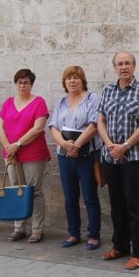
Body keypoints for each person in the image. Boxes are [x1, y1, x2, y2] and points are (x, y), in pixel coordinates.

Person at [96, 51, 139, 270]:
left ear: (134, 66)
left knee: (134, 206)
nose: (124, 67)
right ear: (114, 67)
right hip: (110, 158)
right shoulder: (108, 91)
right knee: (116, 205)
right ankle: (120, 246)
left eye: (127, 63)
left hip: (133, 158)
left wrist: (125, 146)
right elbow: (100, 121)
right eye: (120, 64)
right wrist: (110, 144)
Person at [47, 66, 102, 250]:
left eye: (76, 78)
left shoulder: (92, 99)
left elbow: (95, 125)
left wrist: (76, 145)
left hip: (86, 155)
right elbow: (53, 126)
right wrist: (64, 144)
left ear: (82, 80)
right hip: (65, 156)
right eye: (68, 78)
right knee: (70, 197)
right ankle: (73, 234)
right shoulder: (61, 102)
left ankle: (93, 235)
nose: (72, 81)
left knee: (90, 196)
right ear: (64, 82)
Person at [0, 69, 52, 243]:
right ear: (16, 84)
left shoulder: (39, 102)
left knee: (34, 190)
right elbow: (1, 126)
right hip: (11, 153)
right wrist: (8, 146)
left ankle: (37, 229)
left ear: (31, 84)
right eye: (19, 82)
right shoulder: (8, 103)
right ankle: (19, 227)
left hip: (33, 152)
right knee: (16, 189)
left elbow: (37, 128)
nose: (22, 85)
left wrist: (18, 144)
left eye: (26, 82)